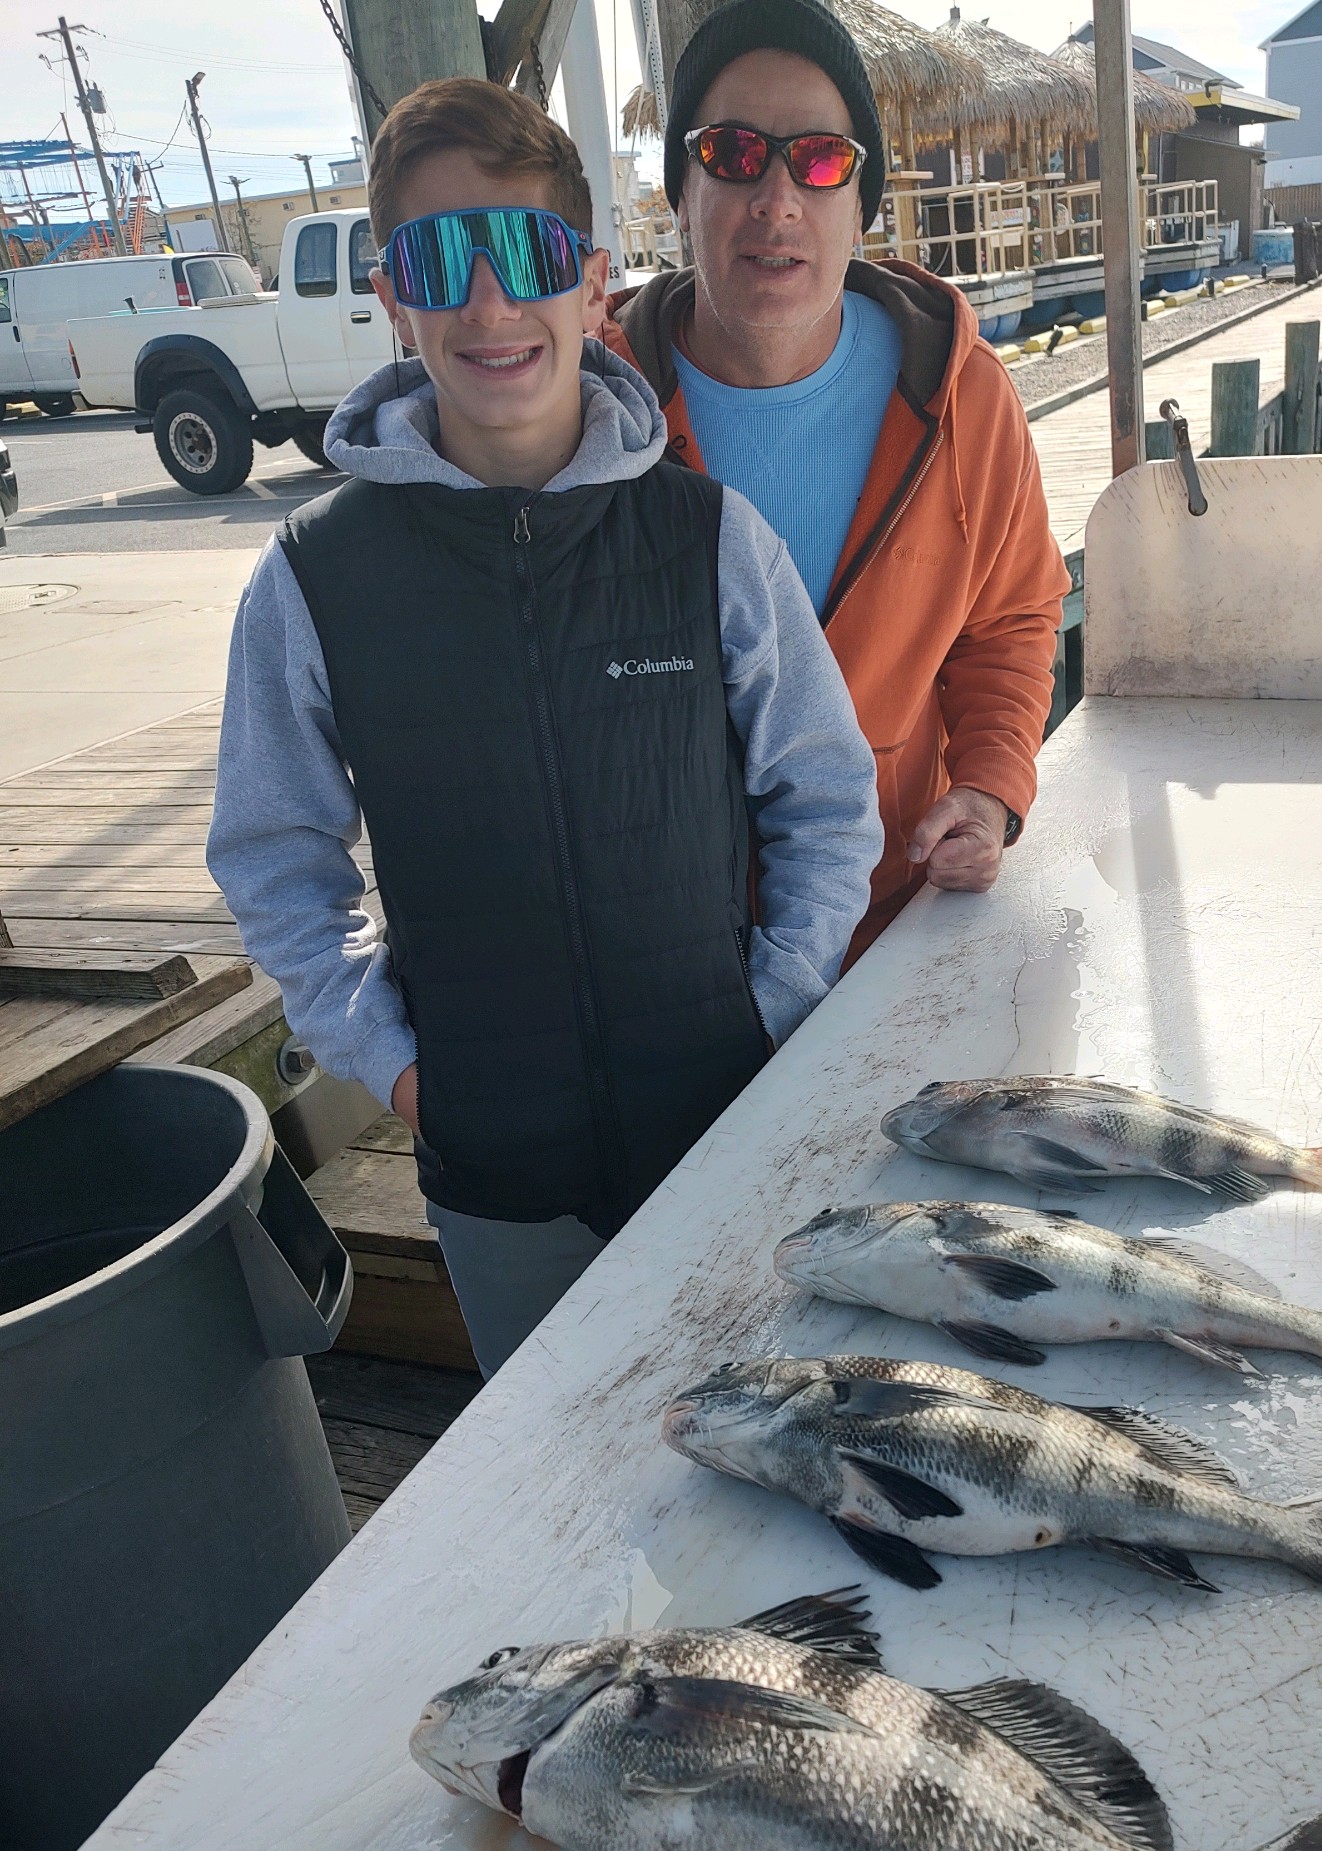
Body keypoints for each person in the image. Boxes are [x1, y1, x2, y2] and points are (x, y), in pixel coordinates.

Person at [208, 78, 882, 1376]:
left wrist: (773, 1006)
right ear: (395, 295)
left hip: (723, 1128)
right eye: (436, 259)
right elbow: (274, 856)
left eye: (522, 252)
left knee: (763, 1430)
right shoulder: (313, 576)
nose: (487, 303)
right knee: (553, 1494)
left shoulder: (710, 540)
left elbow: (824, 800)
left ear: (591, 280)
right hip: (493, 1177)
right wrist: (395, 1068)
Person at [603, 0, 1068, 954]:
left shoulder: (961, 397)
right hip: (660, 947)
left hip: (888, 931)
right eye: (733, 153)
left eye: (821, 161)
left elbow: (1012, 621)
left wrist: (988, 786)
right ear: (680, 192)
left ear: (861, 203)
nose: (777, 198)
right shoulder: (593, 409)